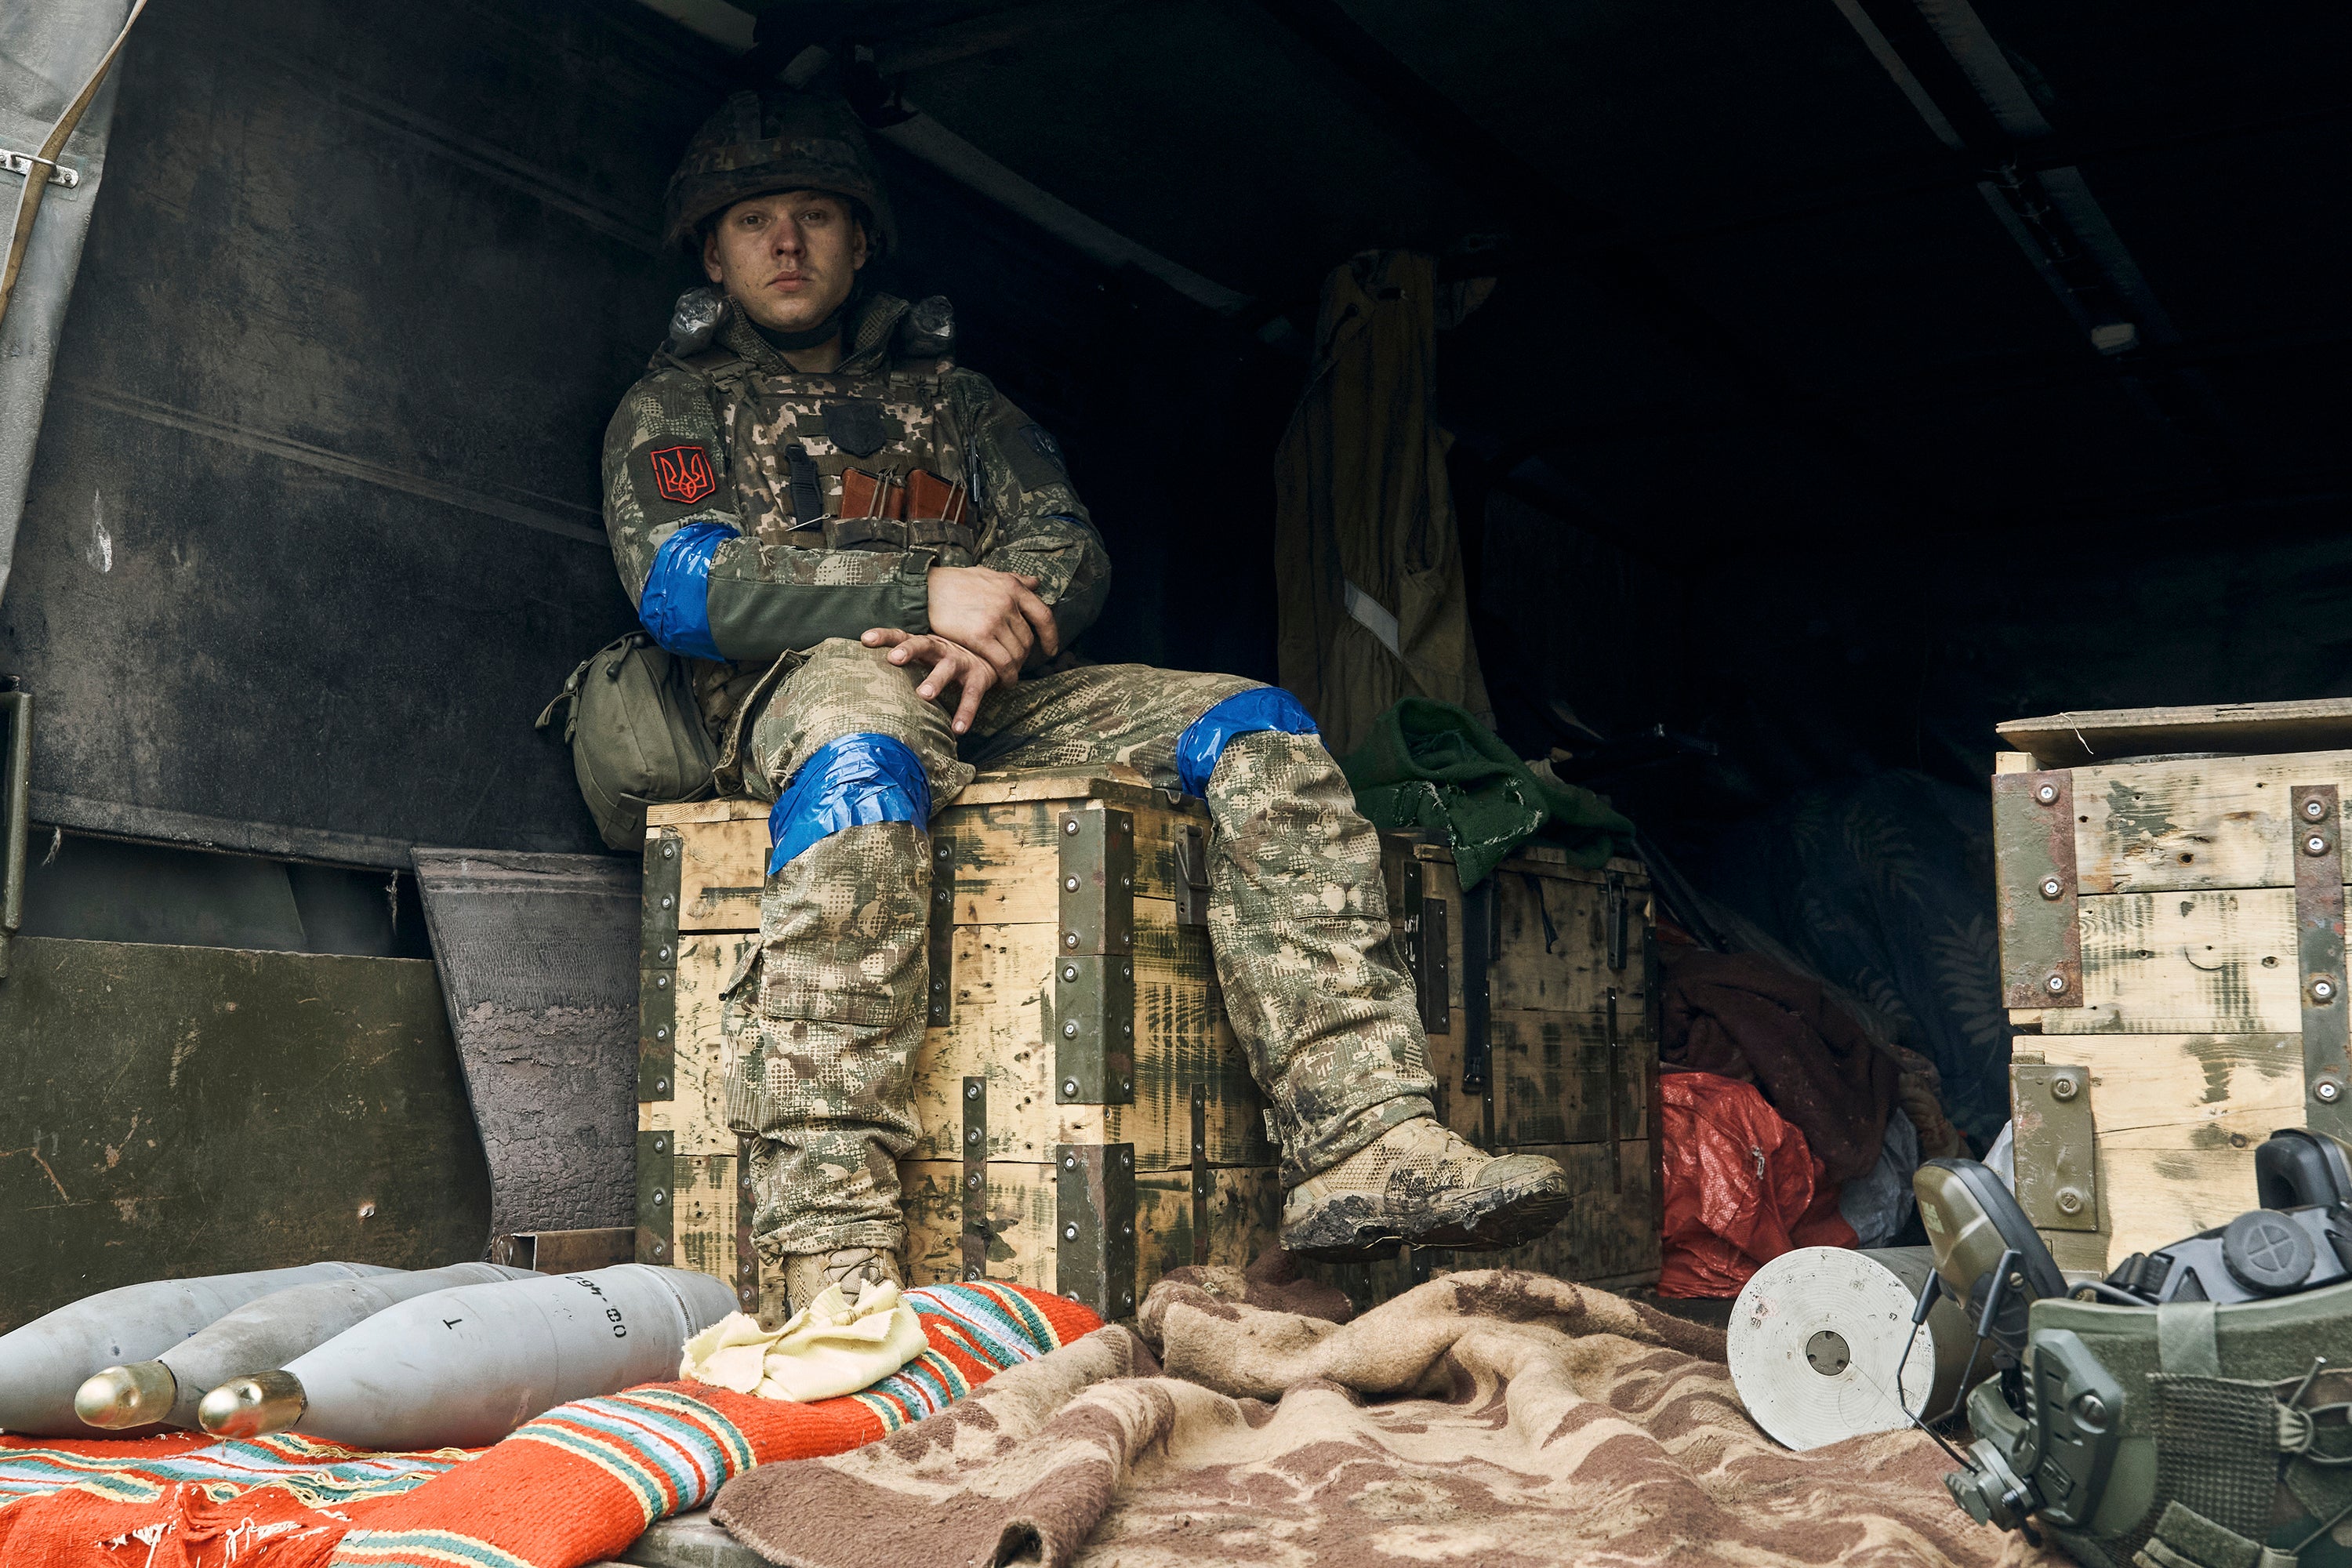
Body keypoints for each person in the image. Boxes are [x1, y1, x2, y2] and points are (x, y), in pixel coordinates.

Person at [601, 89, 1570, 1309]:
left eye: (815, 216)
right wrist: (926, 587)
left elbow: (1068, 544)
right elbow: (685, 585)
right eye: (753, 223)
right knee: (860, 759)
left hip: (993, 689)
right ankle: (827, 1241)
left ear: (861, 242)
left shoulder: (961, 405)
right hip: (807, 688)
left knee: (1259, 726)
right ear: (713, 251)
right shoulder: (679, 405)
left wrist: (994, 631)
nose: (785, 245)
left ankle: (1363, 1139)